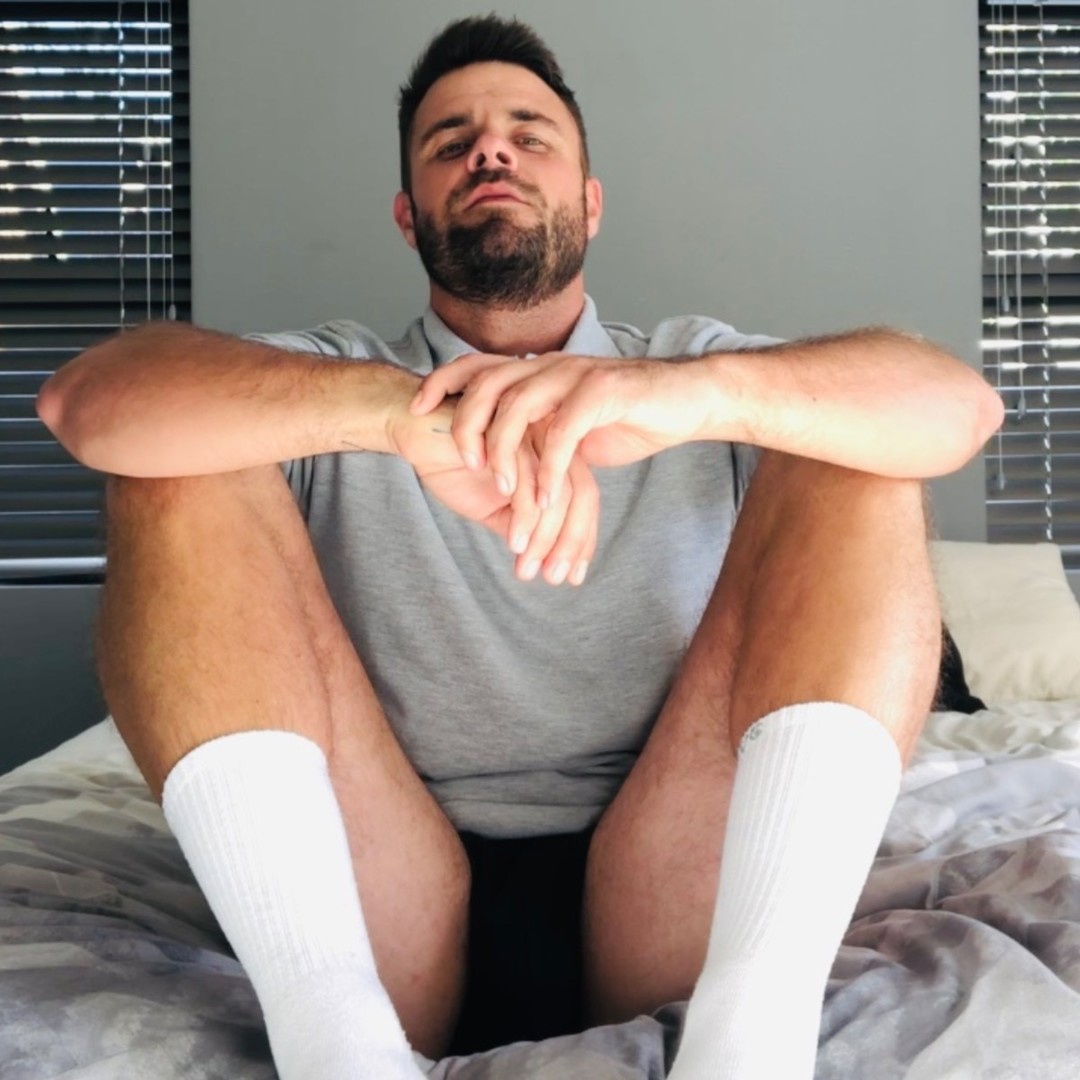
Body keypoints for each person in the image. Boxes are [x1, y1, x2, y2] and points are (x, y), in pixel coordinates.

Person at [36, 14, 1004, 1080]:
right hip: (377, 888)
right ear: (408, 216)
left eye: (528, 135)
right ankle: (338, 1047)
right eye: (451, 142)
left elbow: (958, 409)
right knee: (180, 449)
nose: (490, 150)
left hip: (678, 872)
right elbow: (86, 403)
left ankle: (749, 1044)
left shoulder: (690, 371)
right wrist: (403, 417)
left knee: (852, 440)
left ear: (589, 203)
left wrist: (695, 396)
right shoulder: (325, 379)